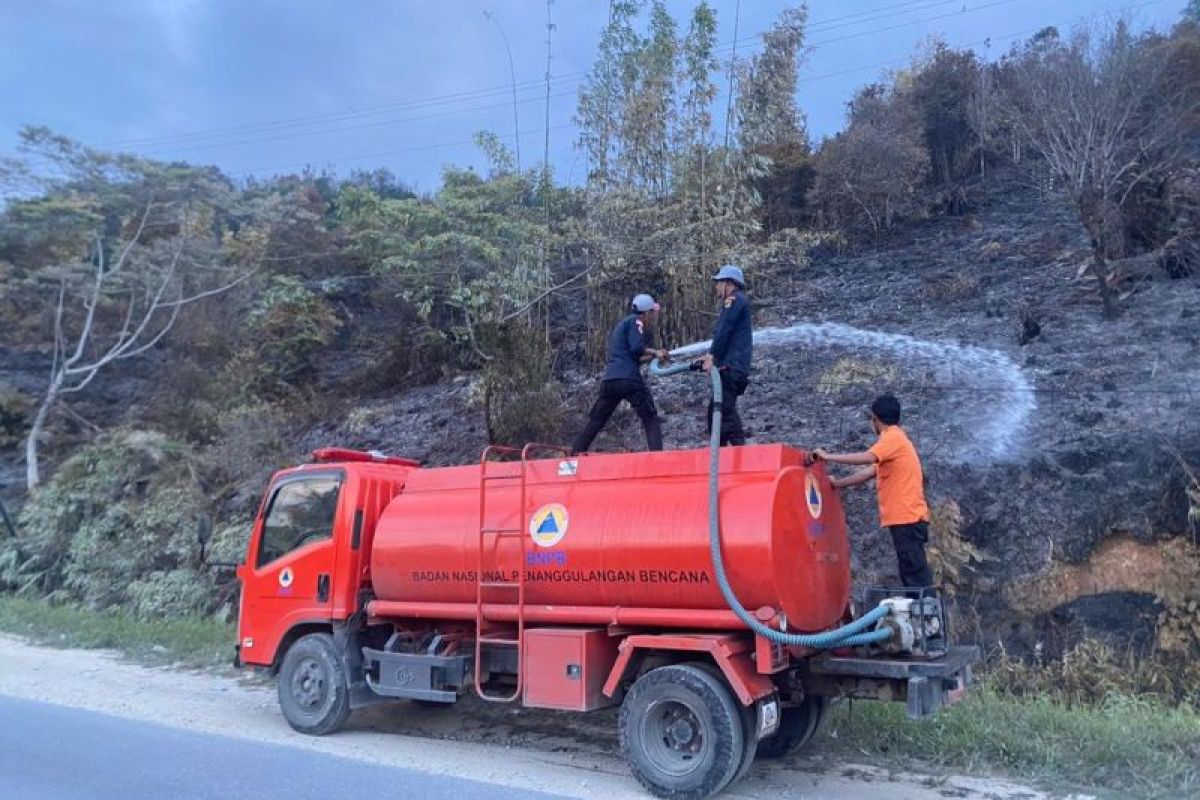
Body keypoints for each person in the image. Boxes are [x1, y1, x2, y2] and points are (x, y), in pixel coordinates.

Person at [812, 394, 934, 589]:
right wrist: (838, 484)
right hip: (905, 520)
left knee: (915, 575)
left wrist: (828, 456)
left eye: (872, 419)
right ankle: (923, 613)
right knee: (910, 573)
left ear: (876, 419)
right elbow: (869, 472)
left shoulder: (893, 437)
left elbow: (867, 458)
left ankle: (927, 616)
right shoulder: (895, 443)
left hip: (907, 519)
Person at [571, 294, 668, 454]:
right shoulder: (636, 322)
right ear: (645, 313)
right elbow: (637, 348)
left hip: (610, 381)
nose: (652, 317)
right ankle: (657, 458)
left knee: (597, 420)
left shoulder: (621, 326)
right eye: (652, 313)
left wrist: (656, 355)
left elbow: (634, 356)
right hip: (629, 380)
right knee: (650, 417)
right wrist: (656, 351)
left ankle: (575, 453)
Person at [697, 265, 752, 446]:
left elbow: (724, 329)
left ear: (728, 283)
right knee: (718, 413)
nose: (716, 287)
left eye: (719, 282)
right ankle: (720, 457)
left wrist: (712, 355)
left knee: (723, 412)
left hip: (732, 368)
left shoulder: (734, 300)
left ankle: (739, 455)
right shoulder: (737, 301)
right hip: (731, 367)